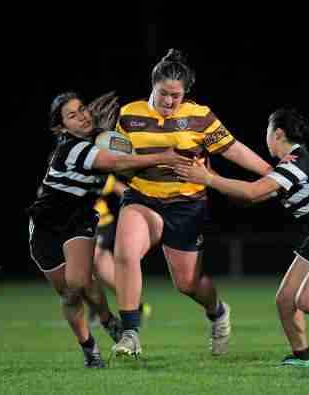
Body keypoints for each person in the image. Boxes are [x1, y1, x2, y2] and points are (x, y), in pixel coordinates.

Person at [174, 107, 309, 368]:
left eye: (267, 132)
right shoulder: (289, 165)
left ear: (277, 133)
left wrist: (209, 178)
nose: (265, 137)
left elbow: (252, 192)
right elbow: (248, 198)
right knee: (285, 299)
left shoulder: (297, 160)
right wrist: (211, 177)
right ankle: (302, 357)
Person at [110, 48, 274, 358]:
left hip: (186, 206)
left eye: (177, 95)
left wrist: (271, 173)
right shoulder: (129, 115)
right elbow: (120, 160)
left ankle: (218, 312)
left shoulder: (199, 116)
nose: (170, 101)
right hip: (143, 197)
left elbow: (234, 150)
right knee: (125, 253)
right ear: (153, 84)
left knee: (187, 284)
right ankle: (130, 333)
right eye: (164, 94)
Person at [27, 91, 192, 368]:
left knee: (78, 283)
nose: (81, 117)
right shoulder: (72, 149)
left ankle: (108, 322)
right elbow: (118, 163)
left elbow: (125, 159)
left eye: (82, 110)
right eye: (72, 115)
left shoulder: (100, 138)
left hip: (79, 220)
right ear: (61, 127)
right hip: (45, 226)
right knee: (69, 294)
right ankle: (89, 347)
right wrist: (164, 157)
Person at [89, 174, 152, 327]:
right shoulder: (57, 179)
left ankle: (101, 309)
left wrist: (137, 210)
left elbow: (121, 189)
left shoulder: (91, 172)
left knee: (93, 260)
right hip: (79, 227)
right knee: (97, 271)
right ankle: (135, 306)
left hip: (100, 224)